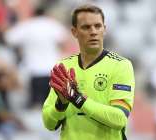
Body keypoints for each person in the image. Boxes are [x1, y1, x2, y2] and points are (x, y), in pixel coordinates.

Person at [42, 4, 135, 140]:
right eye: (86, 27)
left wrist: (78, 99)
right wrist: (60, 104)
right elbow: (48, 123)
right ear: (74, 32)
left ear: (104, 29)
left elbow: (119, 119)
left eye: (98, 26)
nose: (93, 32)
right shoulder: (64, 67)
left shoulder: (120, 65)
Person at [4, 6, 70, 107]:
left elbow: (9, 38)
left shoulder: (27, 25)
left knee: (35, 105)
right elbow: (65, 39)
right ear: (45, 14)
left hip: (33, 71)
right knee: (52, 104)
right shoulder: (52, 25)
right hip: (51, 70)